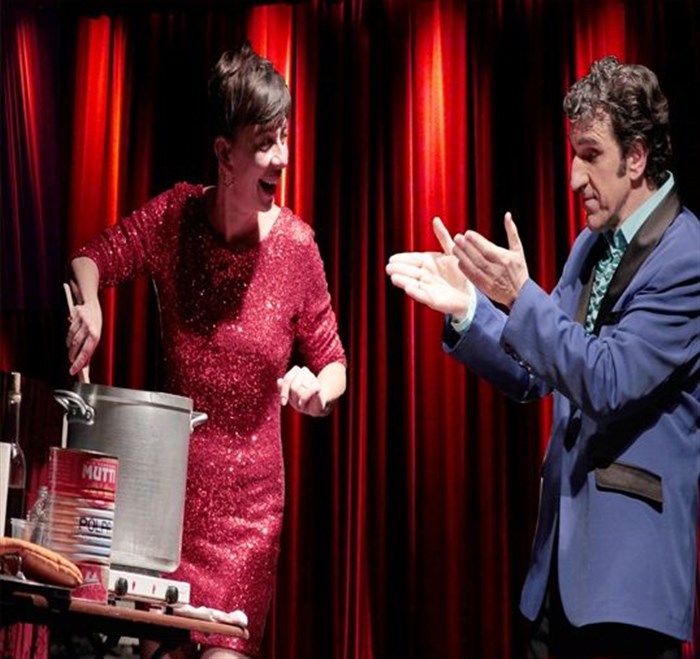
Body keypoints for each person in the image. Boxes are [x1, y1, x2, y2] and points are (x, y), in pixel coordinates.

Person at [386, 56, 699, 659]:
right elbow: (537, 369)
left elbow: (606, 379)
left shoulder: (686, 257)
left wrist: (520, 296)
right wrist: (469, 309)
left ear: (636, 157)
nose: (575, 176)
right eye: (573, 155)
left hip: (628, 585)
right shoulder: (591, 244)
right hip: (559, 577)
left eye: (590, 155)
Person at [66, 41, 347, 659]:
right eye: (265, 143)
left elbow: (334, 362)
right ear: (224, 152)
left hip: (250, 516)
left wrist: (316, 392)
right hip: (166, 507)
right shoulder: (176, 219)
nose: (282, 158)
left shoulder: (297, 247)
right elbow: (92, 257)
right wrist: (91, 304)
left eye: (285, 137)